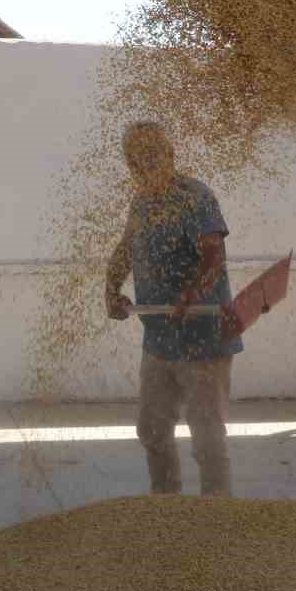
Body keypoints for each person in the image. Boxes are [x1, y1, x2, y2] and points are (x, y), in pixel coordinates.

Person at [104, 121, 240, 496]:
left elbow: (214, 258)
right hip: (160, 339)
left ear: (168, 155)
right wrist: (110, 288)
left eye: (150, 156)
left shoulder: (195, 196)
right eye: (135, 160)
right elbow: (127, 248)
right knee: (151, 430)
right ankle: (166, 512)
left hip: (204, 341)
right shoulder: (142, 201)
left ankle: (218, 520)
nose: (143, 166)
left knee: (207, 440)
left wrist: (191, 294)